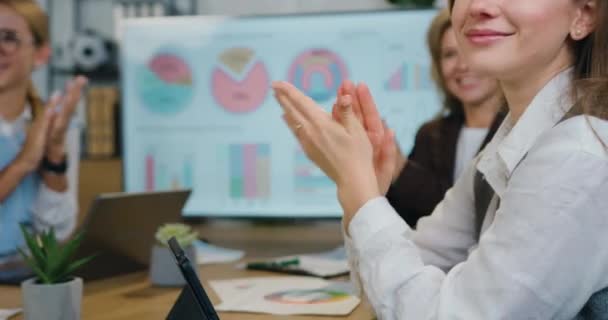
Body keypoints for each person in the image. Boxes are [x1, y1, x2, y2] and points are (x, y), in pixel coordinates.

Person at [273, 0, 608, 317]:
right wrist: (364, 194)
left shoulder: (578, 156)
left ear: (583, 15)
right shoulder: (505, 149)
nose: (478, 6)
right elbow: (397, 285)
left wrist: (359, 192)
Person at [384, 8, 504, 227]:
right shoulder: (431, 135)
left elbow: (469, 222)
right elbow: (406, 219)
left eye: (472, 50)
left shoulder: (518, 132)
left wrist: (401, 170)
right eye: (449, 54)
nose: (462, 66)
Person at [0, 0, 87, 282]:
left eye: (9, 38)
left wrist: (54, 153)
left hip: (24, 279)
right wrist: (25, 161)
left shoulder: (55, 124)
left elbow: (58, 232)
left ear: (41, 54)